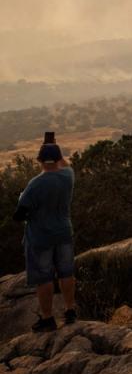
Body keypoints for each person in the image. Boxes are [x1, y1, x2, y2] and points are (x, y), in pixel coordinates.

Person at [13, 139, 77, 332]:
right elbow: (65, 164)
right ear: (59, 158)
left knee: (44, 278)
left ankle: (48, 318)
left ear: (40, 161)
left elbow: (19, 215)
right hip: (64, 232)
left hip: (41, 237)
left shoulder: (35, 185)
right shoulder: (68, 176)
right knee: (67, 272)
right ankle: (70, 310)